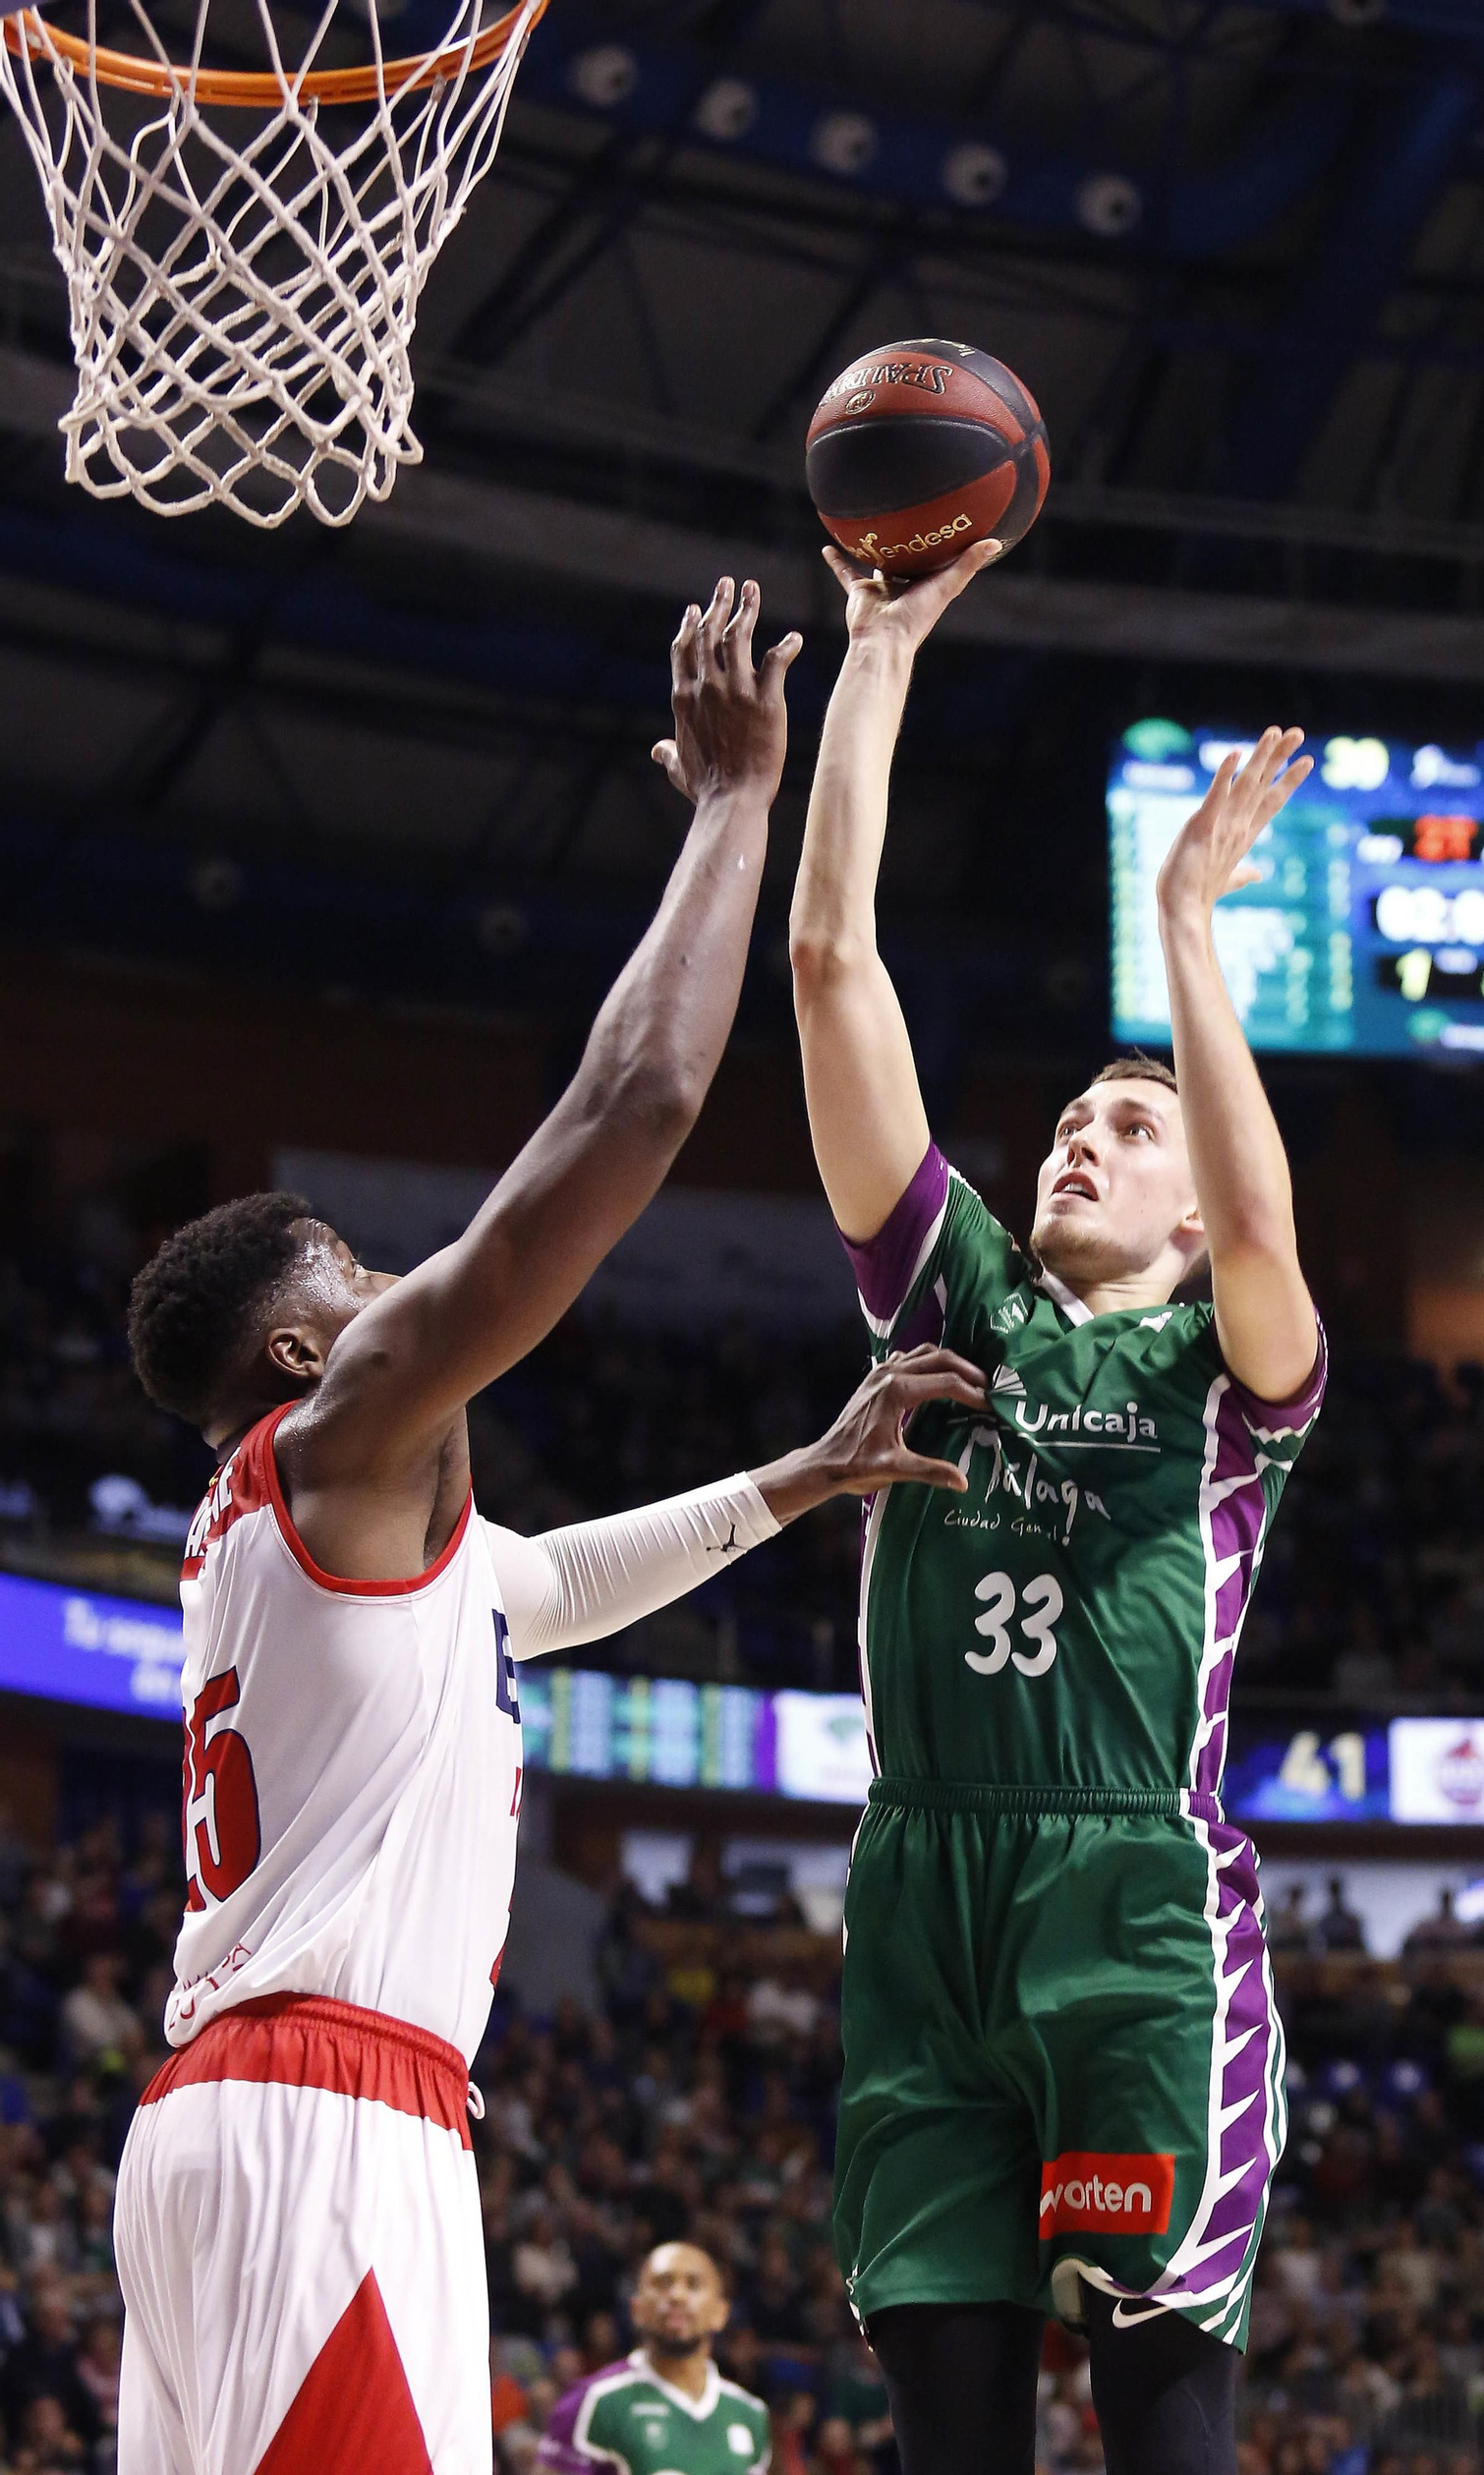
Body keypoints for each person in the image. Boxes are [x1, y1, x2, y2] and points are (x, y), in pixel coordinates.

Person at [109, 578, 987, 2475]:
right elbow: (636, 1097)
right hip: (325, 2125)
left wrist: (807, 1474)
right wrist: (735, 809)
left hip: (241, 2114)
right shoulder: (345, 1431)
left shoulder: (314, 1539)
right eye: (352, 1266)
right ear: (292, 1343)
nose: (394, 1277)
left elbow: (556, 1584)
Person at [783, 539, 1326, 2475]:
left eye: (1127, 1122)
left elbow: (1260, 1224)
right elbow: (829, 966)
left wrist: (1188, 920)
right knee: (945, 2439)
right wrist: (874, 654)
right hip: (922, 1889)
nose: (1075, 1133)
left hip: (1125, 1915)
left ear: (1186, 1208)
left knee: (1154, 2431)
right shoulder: (957, 1304)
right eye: (1069, 1117)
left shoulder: (1226, 1371)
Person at [539, 2242, 769, 2474]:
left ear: (720, 2313)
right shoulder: (594, 2401)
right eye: (663, 2283)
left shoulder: (751, 2414)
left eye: (693, 2284)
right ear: (636, 2309)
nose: (677, 2296)